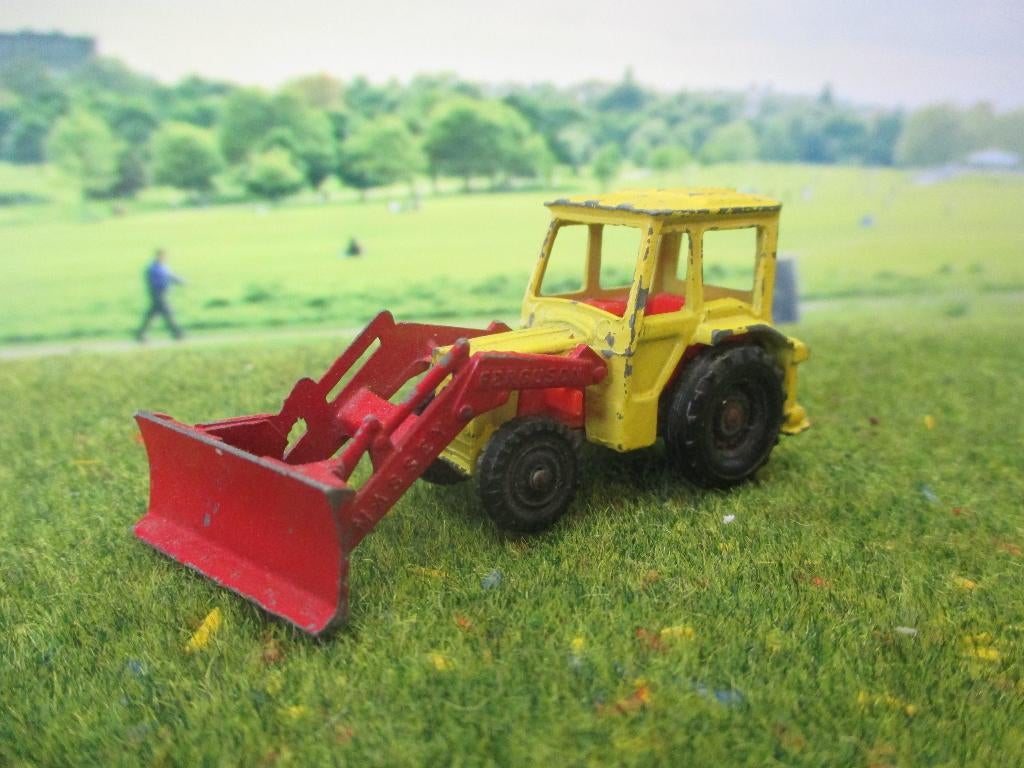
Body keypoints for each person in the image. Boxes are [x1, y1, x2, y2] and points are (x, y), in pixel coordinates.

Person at [136, 248, 184, 341]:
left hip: (161, 294)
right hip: (158, 294)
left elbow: (170, 276)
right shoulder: (154, 268)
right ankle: (177, 333)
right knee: (168, 313)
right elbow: (162, 280)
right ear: (158, 256)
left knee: (152, 315)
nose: (165, 258)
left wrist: (180, 281)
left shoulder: (162, 267)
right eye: (163, 256)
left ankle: (141, 334)